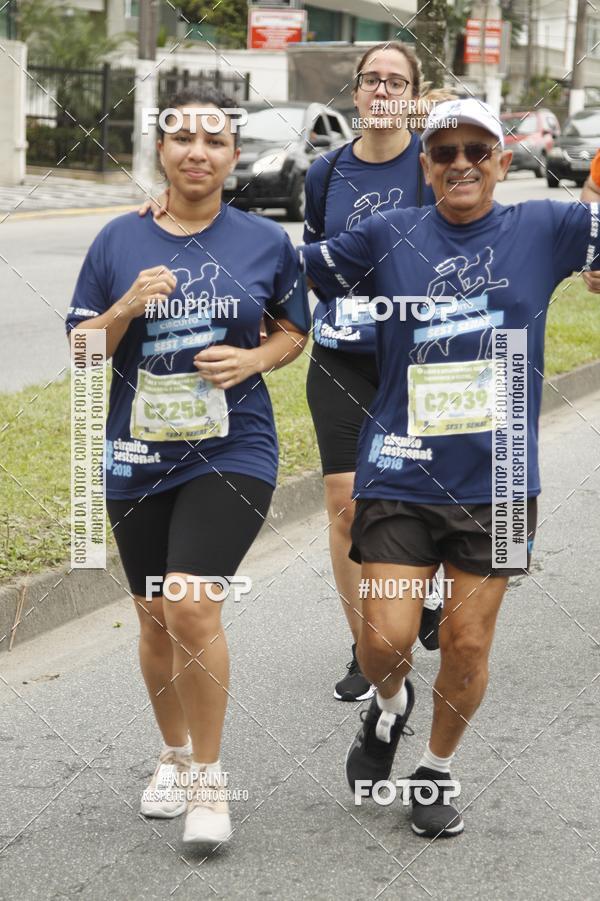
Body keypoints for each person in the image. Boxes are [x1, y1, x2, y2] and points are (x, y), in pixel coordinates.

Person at [302, 98, 600, 838]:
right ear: (425, 166)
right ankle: (391, 703)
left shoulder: (548, 225)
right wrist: (190, 218)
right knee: (387, 639)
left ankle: (434, 769)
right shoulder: (386, 233)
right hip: (399, 467)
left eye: (477, 150)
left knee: (467, 644)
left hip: (499, 478)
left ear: (503, 160)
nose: (461, 163)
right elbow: (289, 266)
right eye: (444, 152)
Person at [66, 88, 310, 845]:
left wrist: (254, 358)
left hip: (233, 449)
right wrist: (128, 306)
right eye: (182, 138)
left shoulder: (266, 242)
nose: (197, 151)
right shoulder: (117, 240)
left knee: (192, 605)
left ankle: (209, 779)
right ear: (161, 152)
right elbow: (82, 352)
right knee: (152, 613)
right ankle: (171, 755)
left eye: (214, 139)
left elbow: (293, 330)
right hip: (137, 456)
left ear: (233, 157)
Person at [303, 42, 446, 703]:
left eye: (397, 81)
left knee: (420, 501)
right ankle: (366, 648)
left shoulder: (432, 164)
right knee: (345, 506)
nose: (382, 90)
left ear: (415, 92)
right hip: (339, 355)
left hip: (419, 361)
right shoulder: (325, 174)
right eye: (371, 80)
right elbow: (315, 263)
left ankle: (428, 585)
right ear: (355, 92)